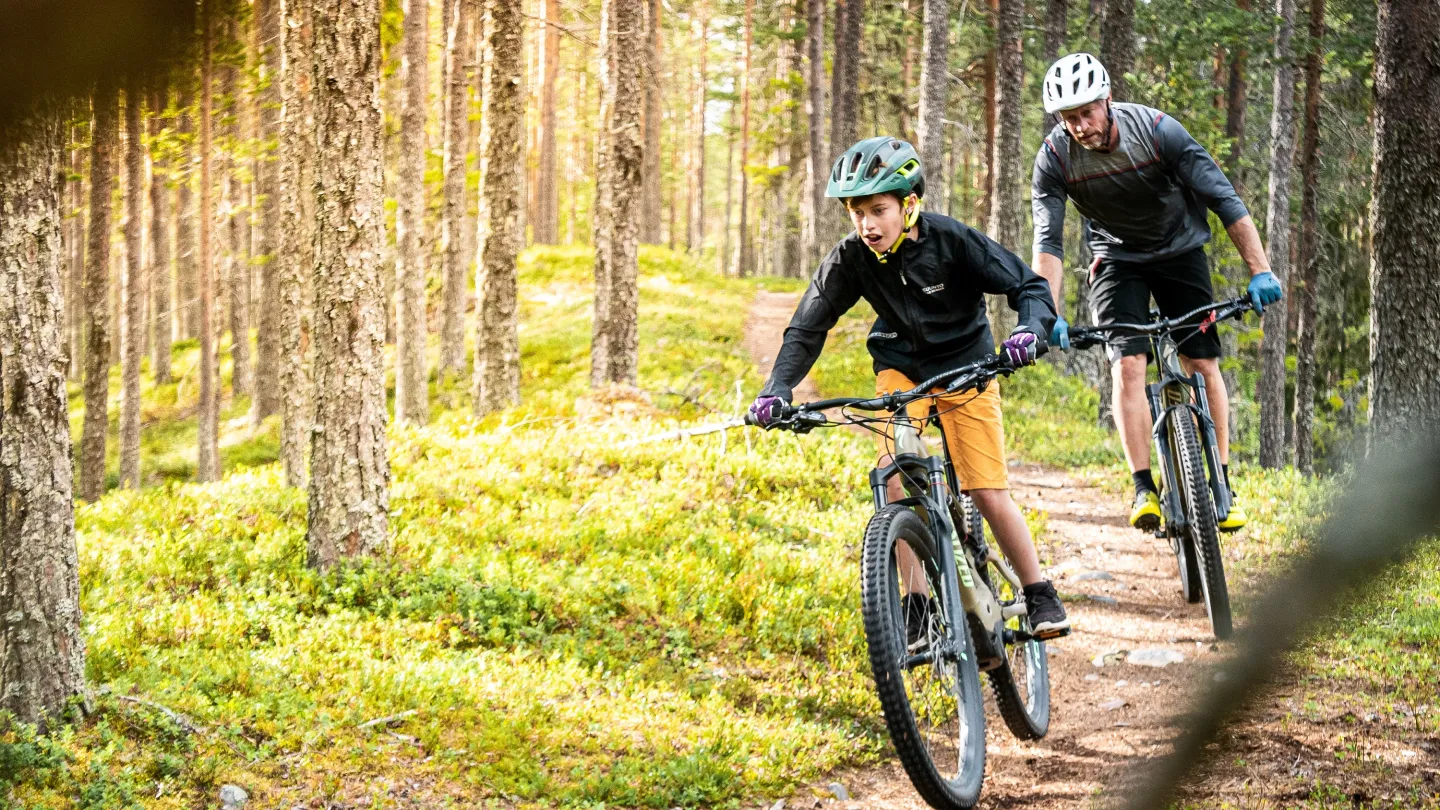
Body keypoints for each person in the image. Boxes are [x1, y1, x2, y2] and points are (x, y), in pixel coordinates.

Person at [749, 136, 1069, 638]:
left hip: (967, 366)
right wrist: (777, 388)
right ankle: (917, 603)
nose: (867, 225)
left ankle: (1038, 591)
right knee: (892, 476)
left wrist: (1028, 329)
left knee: (985, 489)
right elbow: (809, 324)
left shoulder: (951, 240)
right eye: (857, 213)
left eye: (878, 210)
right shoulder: (852, 257)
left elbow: (1028, 285)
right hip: (902, 370)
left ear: (910, 204)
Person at [1030, 53, 1284, 533]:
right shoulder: (1055, 158)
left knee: (1202, 362)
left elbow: (1223, 199)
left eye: (1087, 112)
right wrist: (1047, 311)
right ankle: (1144, 486)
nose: (1080, 126)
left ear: (1108, 100)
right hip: (1116, 260)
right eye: (1069, 118)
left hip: (1179, 250)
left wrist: (1260, 271)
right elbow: (1048, 242)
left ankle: (1222, 484)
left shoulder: (1158, 130)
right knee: (1128, 364)